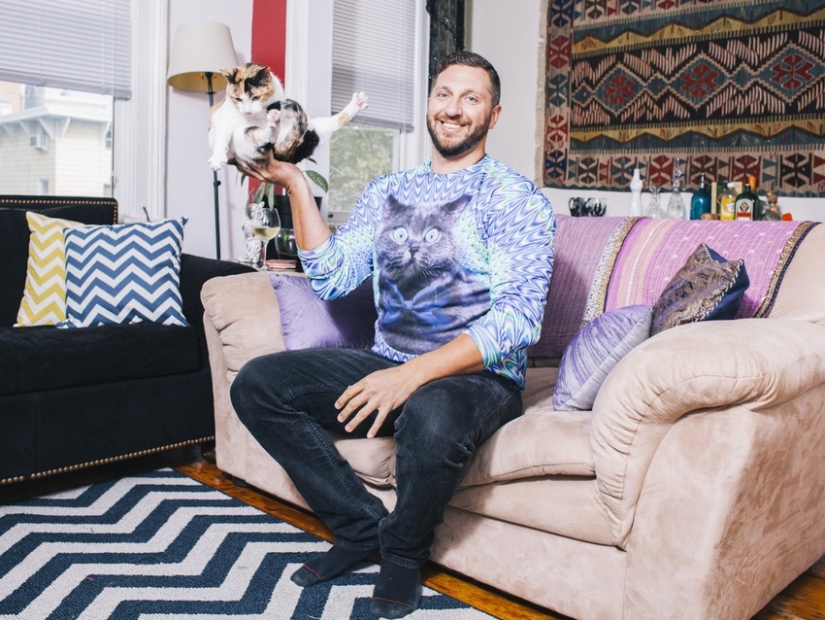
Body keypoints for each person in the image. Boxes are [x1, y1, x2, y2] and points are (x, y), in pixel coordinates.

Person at [230, 50, 555, 619]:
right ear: (429, 104)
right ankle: (361, 527)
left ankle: (403, 552)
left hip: (479, 377)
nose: (453, 109)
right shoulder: (387, 191)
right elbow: (332, 278)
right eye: (443, 95)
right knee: (257, 385)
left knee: (432, 415)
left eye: (471, 98)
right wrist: (296, 184)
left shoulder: (514, 198)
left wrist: (410, 377)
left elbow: (519, 318)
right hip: (389, 358)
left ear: (494, 115)